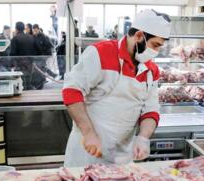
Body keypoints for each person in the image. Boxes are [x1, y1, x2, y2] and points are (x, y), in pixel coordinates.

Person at [62, 9, 172, 166]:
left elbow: (151, 110)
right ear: (139, 36)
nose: (156, 51)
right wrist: (88, 133)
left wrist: (143, 137)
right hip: (88, 152)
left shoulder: (151, 71)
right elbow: (72, 91)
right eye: (155, 45)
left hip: (122, 158)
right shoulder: (100, 53)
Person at [11, 22, 44, 89]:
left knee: (22, 83)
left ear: (16, 29)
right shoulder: (31, 37)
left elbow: (12, 53)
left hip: (20, 65)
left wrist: (12, 65)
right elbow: (39, 50)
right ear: (24, 28)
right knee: (29, 81)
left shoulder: (15, 39)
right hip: (30, 64)